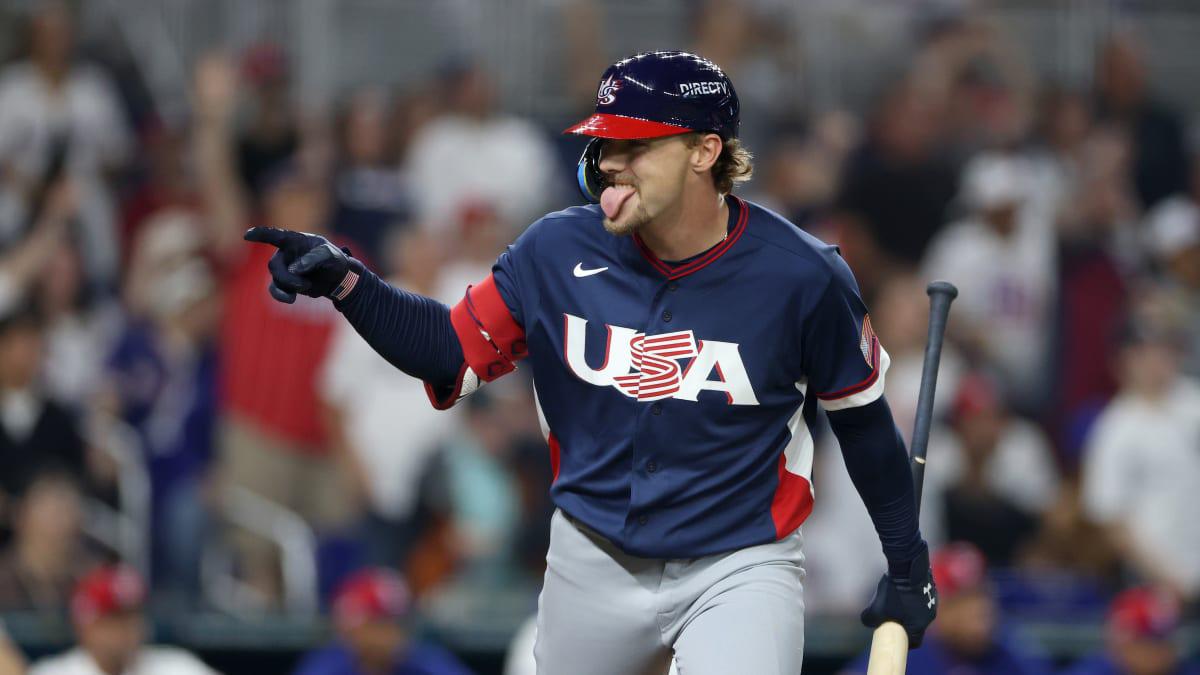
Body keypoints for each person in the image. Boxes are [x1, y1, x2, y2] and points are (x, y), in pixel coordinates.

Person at [246, 51, 936, 674]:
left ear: (704, 150)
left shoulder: (803, 275)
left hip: (739, 559)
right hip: (591, 553)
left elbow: (866, 426)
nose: (608, 161)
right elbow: (447, 351)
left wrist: (905, 560)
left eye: (635, 144)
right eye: (606, 142)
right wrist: (348, 283)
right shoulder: (554, 249)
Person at [842, 542, 1051, 675]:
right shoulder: (908, 650)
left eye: (979, 597)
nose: (976, 612)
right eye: (961, 602)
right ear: (936, 606)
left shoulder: (1009, 649)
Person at [28, 565, 220, 675]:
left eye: (133, 616)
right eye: (115, 618)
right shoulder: (53, 673)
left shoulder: (177, 667)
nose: (128, 629)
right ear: (84, 626)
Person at [292, 568, 472, 675]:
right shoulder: (329, 664)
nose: (385, 634)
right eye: (374, 624)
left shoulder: (425, 661)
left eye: (389, 623)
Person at [1064, 587, 1200, 675]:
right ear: (1122, 644)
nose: (1160, 652)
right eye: (1148, 642)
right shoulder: (1091, 671)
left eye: (1165, 641)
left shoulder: (1186, 669)